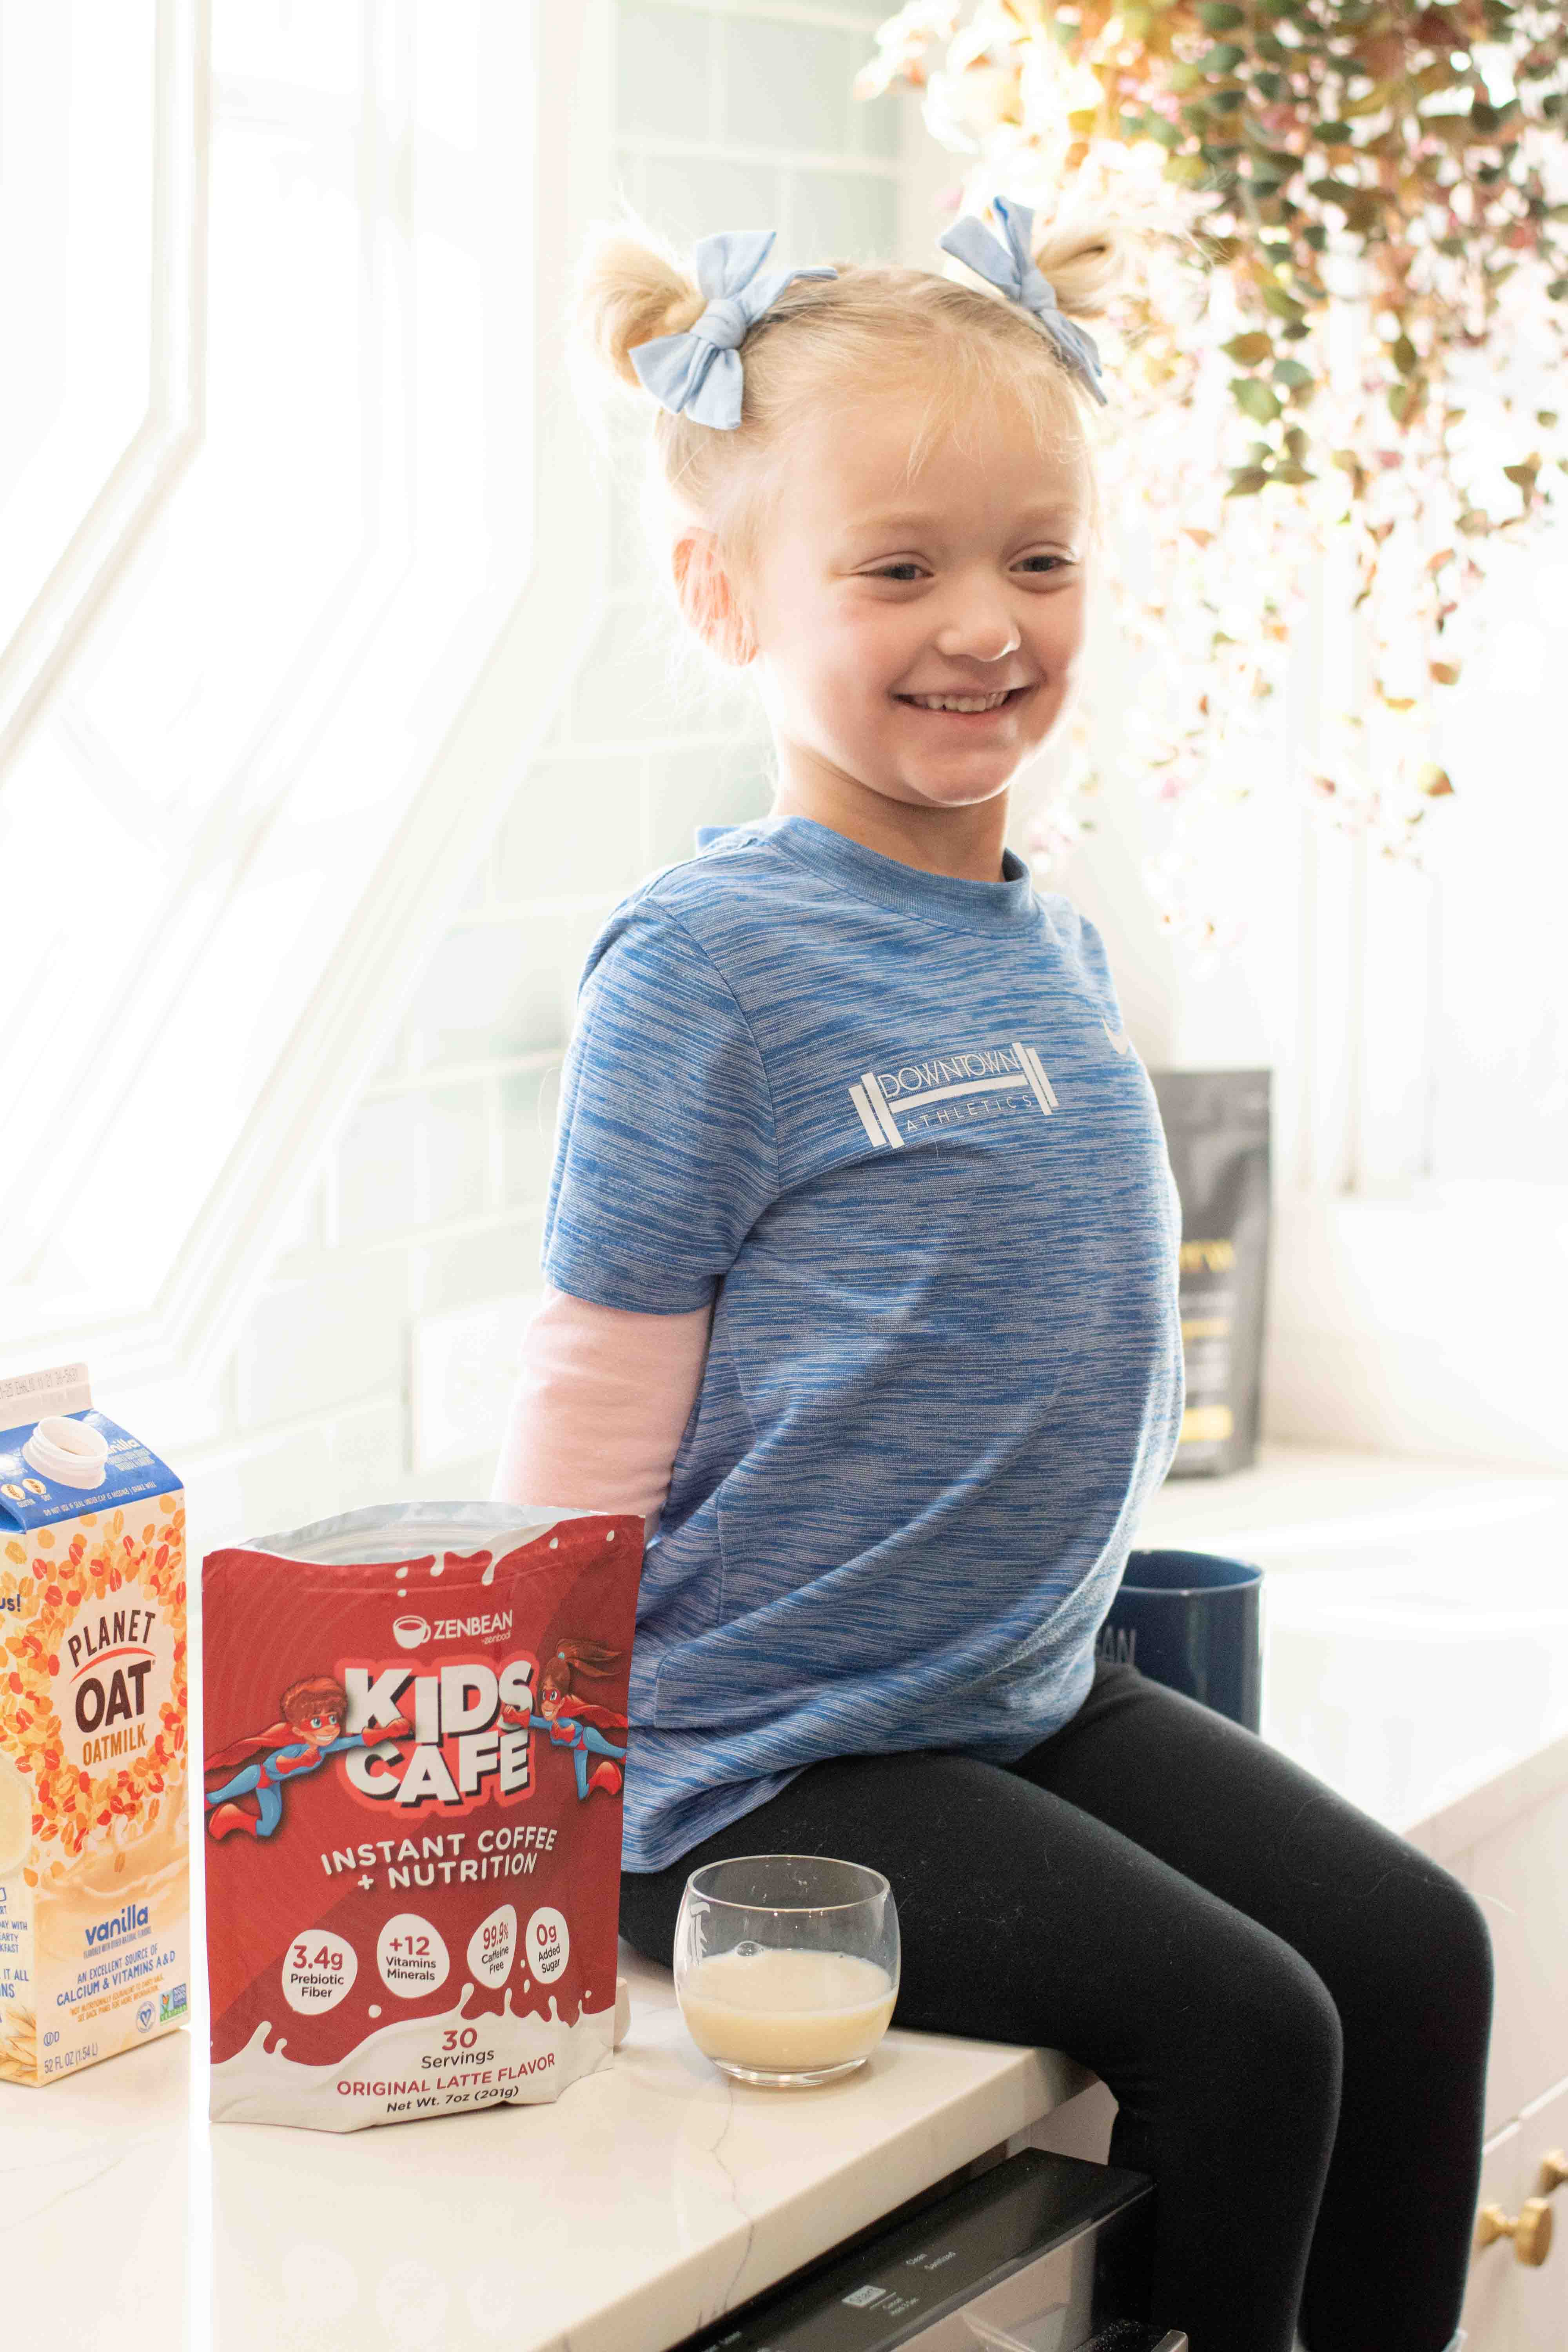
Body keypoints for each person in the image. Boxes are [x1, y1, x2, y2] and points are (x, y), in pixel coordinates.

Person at [492, 195, 1490, 2352]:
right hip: (763, 1762)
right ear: (723, 593)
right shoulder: (707, 968)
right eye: (900, 568)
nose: (988, 623)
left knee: (1417, 1952)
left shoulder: (1041, 924)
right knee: (1254, 2032)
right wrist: (531, 1806)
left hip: (1009, 1694)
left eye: (1040, 560)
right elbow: (582, 1428)